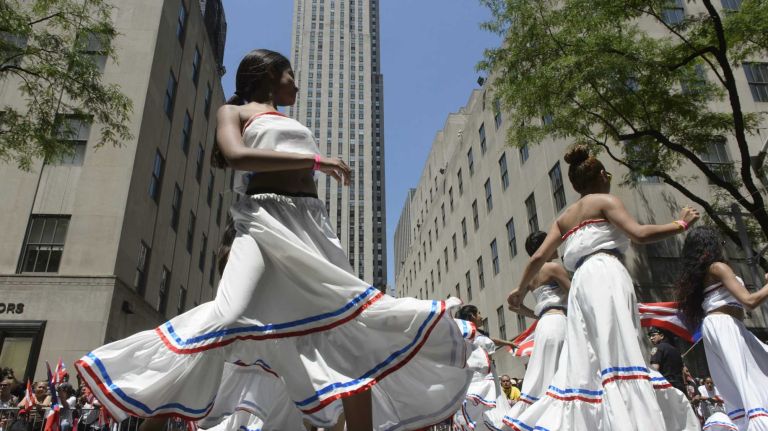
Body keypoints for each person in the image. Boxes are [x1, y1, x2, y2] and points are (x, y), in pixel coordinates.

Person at [75, 49, 474, 431]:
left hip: (310, 225)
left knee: (348, 324)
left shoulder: (287, 119)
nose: (296, 86)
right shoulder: (233, 111)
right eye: (290, 76)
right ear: (269, 75)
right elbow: (236, 155)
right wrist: (317, 160)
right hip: (263, 219)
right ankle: (150, 406)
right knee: (228, 316)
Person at [505, 144, 700, 430]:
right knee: (617, 342)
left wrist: (519, 290)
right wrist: (680, 224)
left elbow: (537, 257)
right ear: (599, 176)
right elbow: (639, 234)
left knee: (587, 352)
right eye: (607, 173)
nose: (610, 178)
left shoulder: (564, 218)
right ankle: (629, 420)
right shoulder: (606, 201)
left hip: (582, 283)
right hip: (605, 273)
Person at [675, 226, 768, 431]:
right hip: (725, 325)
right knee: (746, 381)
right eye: (721, 242)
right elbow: (749, 301)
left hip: (719, 327)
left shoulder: (701, 274)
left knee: (737, 383)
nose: (722, 246)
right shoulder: (718, 267)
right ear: (711, 245)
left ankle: (747, 423)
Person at [508, 231, 570, 417]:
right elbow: (575, 292)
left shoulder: (531, 276)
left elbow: (513, 306)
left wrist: (537, 315)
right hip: (559, 322)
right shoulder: (553, 267)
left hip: (544, 324)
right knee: (563, 372)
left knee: (546, 374)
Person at [451, 305, 502, 431]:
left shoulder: (462, 337)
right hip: (483, 380)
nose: (481, 316)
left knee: (475, 415)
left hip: (469, 382)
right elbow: (488, 351)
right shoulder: (480, 338)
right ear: (472, 316)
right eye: (479, 313)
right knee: (490, 414)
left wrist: (508, 343)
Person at [648, 327, 686, 393]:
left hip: (667, 386)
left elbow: (654, 368)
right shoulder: (676, 350)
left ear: (662, 336)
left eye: (653, 335)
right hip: (680, 386)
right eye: (650, 336)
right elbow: (683, 371)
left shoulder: (658, 348)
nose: (651, 338)